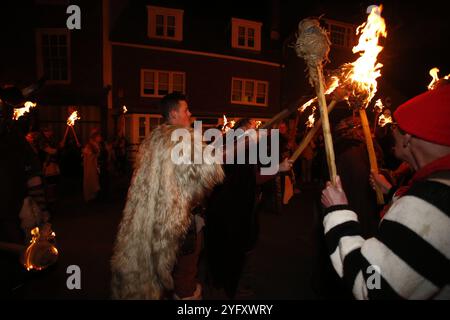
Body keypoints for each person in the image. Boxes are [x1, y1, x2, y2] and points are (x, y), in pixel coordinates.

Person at [321, 84, 450, 299]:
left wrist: (338, 212)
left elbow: (372, 284)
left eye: (395, 127)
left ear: (408, 137)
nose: (390, 132)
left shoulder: (430, 201)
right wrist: (392, 193)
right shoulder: (435, 190)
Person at [110, 93, 224, 299]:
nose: (190, 113)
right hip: (181, 221)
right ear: (173, 114)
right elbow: (210, 173)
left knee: (159, 271)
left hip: (155, 220)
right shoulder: (183, 138)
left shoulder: (153, 140)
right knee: (186, 274)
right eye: (185, 109)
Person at [0, 84, 50, 297]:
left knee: (13, 267)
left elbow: (33, 179)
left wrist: (43, 215)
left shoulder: (16, 142)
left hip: (10, 214)